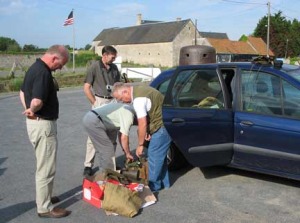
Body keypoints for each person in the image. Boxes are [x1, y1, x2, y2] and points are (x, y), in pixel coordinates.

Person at [19, 45, 71, 218]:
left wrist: (27, 108)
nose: (61, 67)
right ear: (54, 58)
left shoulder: (34, 68)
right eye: (61, 63)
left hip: (35, 124)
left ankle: (45, 198)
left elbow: (21, 91)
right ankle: (45, 208)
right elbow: (37, 100)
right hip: (43, 125)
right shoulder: (43, 73)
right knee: (46, 168)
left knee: (43, 164)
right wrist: (33, 108)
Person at [112, 82, 172, 192]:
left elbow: (142, 123)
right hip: (164, 123)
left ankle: (153, 186)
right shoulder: (140, 89)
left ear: (125, 92)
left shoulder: (138, 100)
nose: (122, 101)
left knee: (153, 156)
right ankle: (165, 183)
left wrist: (140, 145)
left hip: (162, 127)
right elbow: (152, 110)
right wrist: (148, 131)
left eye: (121, 98)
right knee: (159, 156)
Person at [83, 45, 121, 176]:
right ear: (104, 55)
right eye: (112, 57)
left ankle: (110, 163)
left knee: (112, 133)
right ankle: (88, 165)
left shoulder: (115, 68)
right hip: (100, 101)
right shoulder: (94, 67)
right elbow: (87, 87)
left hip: (112, 101)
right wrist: (94, 103)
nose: (114, 60)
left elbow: (118, 86)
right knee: (94, 135)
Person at [82, 102, 135, 173]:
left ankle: (110, 168)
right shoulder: (129, 115)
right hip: (94, 121)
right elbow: (124, 137)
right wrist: (128, 153)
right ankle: (107, 175)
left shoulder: (128, 109)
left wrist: (125, 152)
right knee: (106, 149)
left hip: (97, 118)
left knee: (110, 145)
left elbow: (121, 135)